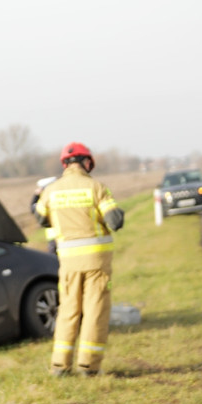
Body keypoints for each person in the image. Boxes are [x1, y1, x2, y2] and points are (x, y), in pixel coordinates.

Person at [34, 142, 124, 376]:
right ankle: (89, 365)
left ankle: (60, 365)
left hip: (68, 264)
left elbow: (41, 218)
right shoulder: (96, 187)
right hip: (97, 263)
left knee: (68, 311)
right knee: (95, 310)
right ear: (87, 162)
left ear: (65, 164)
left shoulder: (51, 190)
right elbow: (115, 221)